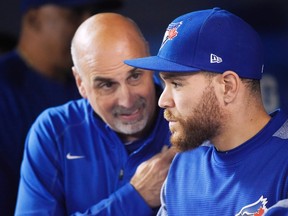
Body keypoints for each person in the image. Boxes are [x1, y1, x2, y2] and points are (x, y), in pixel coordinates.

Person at [124, 7, 288, 216]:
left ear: (227, 86)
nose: (163, 101)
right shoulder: (183, 165)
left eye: (176, 83)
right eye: (164, 83)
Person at [15, 13, 175, 215]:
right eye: (107, 85)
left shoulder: (189, 124)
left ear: (150, 62)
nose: (127, 100)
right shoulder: (54, 132)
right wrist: (135, 197)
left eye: (135, 76)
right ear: (80, 83)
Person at [0, 0, 123, 215]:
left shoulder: (97, 88)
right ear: (33, 18)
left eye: (93, 13)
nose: (87, 25)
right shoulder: (6, 89)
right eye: (74, 14)